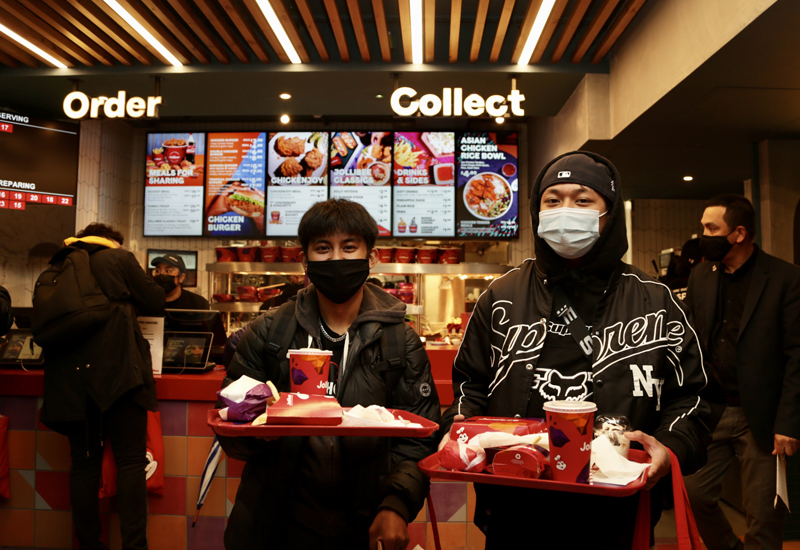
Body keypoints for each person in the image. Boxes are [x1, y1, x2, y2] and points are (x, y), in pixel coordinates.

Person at [438, 151, 713, 547]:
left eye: (583, 200)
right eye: (553, 200)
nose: (565, 210)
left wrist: (671, 448)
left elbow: (695, 396)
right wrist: (458, 429)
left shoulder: (657, 300)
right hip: (515, 505)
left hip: (618, 509)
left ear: (610, 212)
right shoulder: (501, 295)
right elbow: (471, 385)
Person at [218, 198, 441, 550]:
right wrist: (256, 430)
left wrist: (396, 505)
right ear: (305, 259)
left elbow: (420, 436)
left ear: (372, 257)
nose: (336, 259)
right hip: (275, 522)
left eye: (349, 247)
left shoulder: (400, 340)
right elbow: (231, 420)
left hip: (366, 521)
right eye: (323, 248)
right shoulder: (269, 332)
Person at [683, 194, 800, 550]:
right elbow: (688, 337)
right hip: (710, 410)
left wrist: (789, 423)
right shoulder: (701, 274)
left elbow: (797, 356)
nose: (703, 234)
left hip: (762, 417)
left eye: (711, 228)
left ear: (739, 233)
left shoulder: (786, 278)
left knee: (763, 515)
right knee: (693, 494)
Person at [39, 223, 165, 550]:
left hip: (71, 385)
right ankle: (134, 546)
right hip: (120, 376)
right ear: (113, 243)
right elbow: (154, 300)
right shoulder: (118, 258)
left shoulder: (59, 263)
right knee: (130, 464)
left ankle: (89, 545)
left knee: (83, 465)